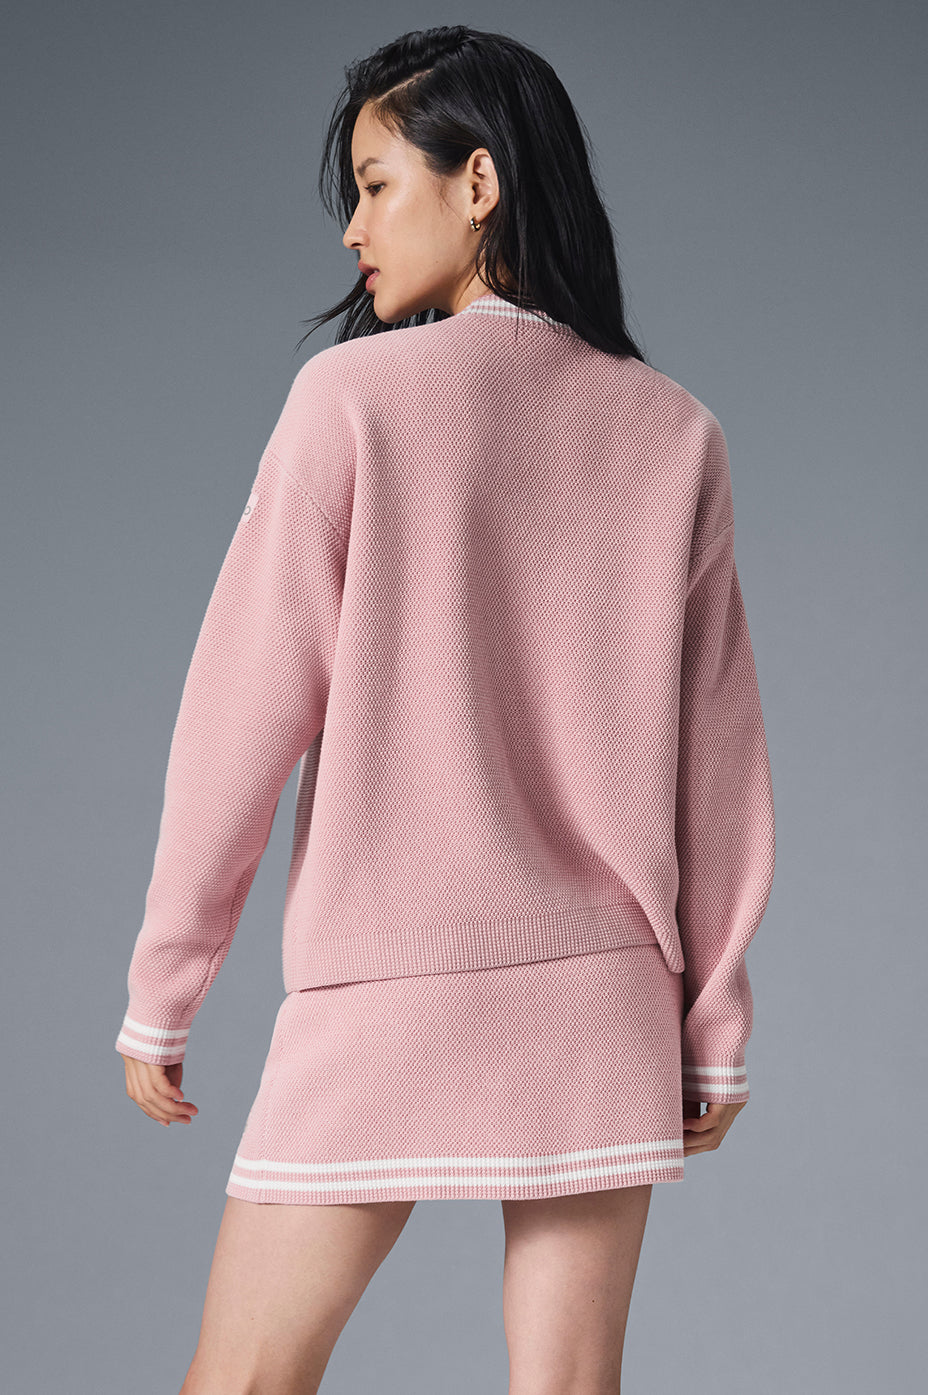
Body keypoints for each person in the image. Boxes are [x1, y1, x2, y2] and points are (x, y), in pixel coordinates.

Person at [116, 24, 776, 1395]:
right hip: (602, 998)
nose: (353, 228)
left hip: (388, 985)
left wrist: (163, 991)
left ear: (477, 182)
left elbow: (239, 715)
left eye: (374, 184)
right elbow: (714, 768)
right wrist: (712, 1024)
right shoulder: (675, 432)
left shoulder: (348, 400)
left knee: (240, 1385)